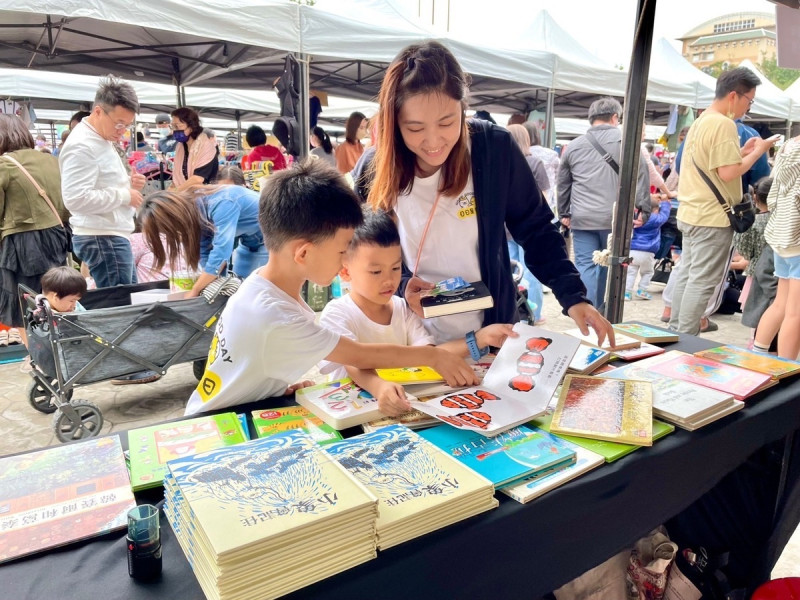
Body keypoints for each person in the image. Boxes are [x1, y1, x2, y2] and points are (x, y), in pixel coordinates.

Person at [353, 41, 614, 347]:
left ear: (462, 108)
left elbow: (536, 228)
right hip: (411, 334)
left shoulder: (493, 148)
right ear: (394, 122)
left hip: (491, 332)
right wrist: (400, 284)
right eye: (415, 128)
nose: (433, 141)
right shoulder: (377, 166)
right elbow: (362, 247)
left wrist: (573, 297)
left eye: (447, 122)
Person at [184, 159, 477, 416]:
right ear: (303, 254)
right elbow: (362, 355)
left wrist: (269, 389)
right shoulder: (277, 314)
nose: (343, 262)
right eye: (341, 251)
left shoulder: (263, 284)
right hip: (217, 423)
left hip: (232, 409)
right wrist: (433, 355)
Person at [318, 210, 514, 416]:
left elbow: (429, 355)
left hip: (400, 415)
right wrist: (378, 386)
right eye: (376, 271)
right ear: (345, 271)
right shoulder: (337, 314)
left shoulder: (402, 309)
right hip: (353, 419)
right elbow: (354, 362)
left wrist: (480, 338)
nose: (389, 280)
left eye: (395, 268)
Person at [668, 67, 777, 335]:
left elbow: (711, 166)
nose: (747, 108)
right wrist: (760, 151)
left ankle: (674, 331)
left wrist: (741, 152)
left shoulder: (702, 120)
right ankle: (685, 336)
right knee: (702, 281)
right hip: (712, 218)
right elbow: (728, 172)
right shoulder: (724, 124)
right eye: (749, 101)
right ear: (733, 96)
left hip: (692, 213)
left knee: (688, 274)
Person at [557, 96, 651, 310]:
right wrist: (643, 210)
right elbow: (641, 176)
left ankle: (589, 311)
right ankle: (602, 310)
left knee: (586, 266)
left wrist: (564, 212)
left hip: (582, 218)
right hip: (616, 219)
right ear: (615, 117)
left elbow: (563, 183)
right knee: (611, 265)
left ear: (591, 119)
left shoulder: (573, 146)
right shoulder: (628, 142)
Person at [59, 75, 141, 288]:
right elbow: (76, 199)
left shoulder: (99, 139)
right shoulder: (83, 145)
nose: (121, 130)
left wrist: (129, 187)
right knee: (120, 309)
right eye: (119, 123)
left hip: (108, 235)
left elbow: (99, 184)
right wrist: (125, 195)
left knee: (126, 303)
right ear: (98, 112)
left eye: (127, 125)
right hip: (103, 237)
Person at [0, 114, 71, 347]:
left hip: (23, 244)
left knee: (24, 302)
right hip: (57, 235)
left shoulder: (5, 165)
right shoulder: (50, 160)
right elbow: (65, 204)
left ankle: (39, 361)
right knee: (56, 295)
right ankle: (62, 353)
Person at [138, 183, 268, 296]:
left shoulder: (223, 203)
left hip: (275, 239)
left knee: (255, 292)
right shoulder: (196, 211)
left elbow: (221, 252)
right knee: (242, 293)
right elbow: (205, 252)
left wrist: (195, 290)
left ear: (175, 217)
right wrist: (208, 284)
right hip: (251, 242)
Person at [754, 137, 800, 358]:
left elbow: (772, 193)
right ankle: (788, 370)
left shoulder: (789, 145)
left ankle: (757, 354)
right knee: (795, 313)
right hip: (798, 236)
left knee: (780, 305)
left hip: (782, 233)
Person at [506, 123, 549, 323]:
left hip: (506, 227)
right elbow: (544, 198)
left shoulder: (501, 163)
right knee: (531, 270)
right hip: (528, 226)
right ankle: (534, 314)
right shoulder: (535, 163)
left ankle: (517, 312)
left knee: (511, 272)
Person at [625, 194, 671, 301]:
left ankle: (627, 293)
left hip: (632, 250)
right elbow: (665, 215)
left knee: (631, 272)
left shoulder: (635, 217)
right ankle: (642, 290)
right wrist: (665, 203)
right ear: (655, 210)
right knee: (647, 272)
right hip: (648, 252)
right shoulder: (656, 220)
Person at [170, 107, 219, 190]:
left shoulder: (206, 147)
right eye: (173, 127)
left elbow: (197, 179)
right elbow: (176, 181)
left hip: (206, 197)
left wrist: (175, 192)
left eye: (177, 126)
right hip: (186, 196)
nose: (174, 130)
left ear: (191, 126)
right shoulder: (181, 147)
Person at [523, 121, 560, 212]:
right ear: (537, 135)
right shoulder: (552, 154)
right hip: (547, 202)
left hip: (525, 202)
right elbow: (558, 178)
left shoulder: (520, 154)